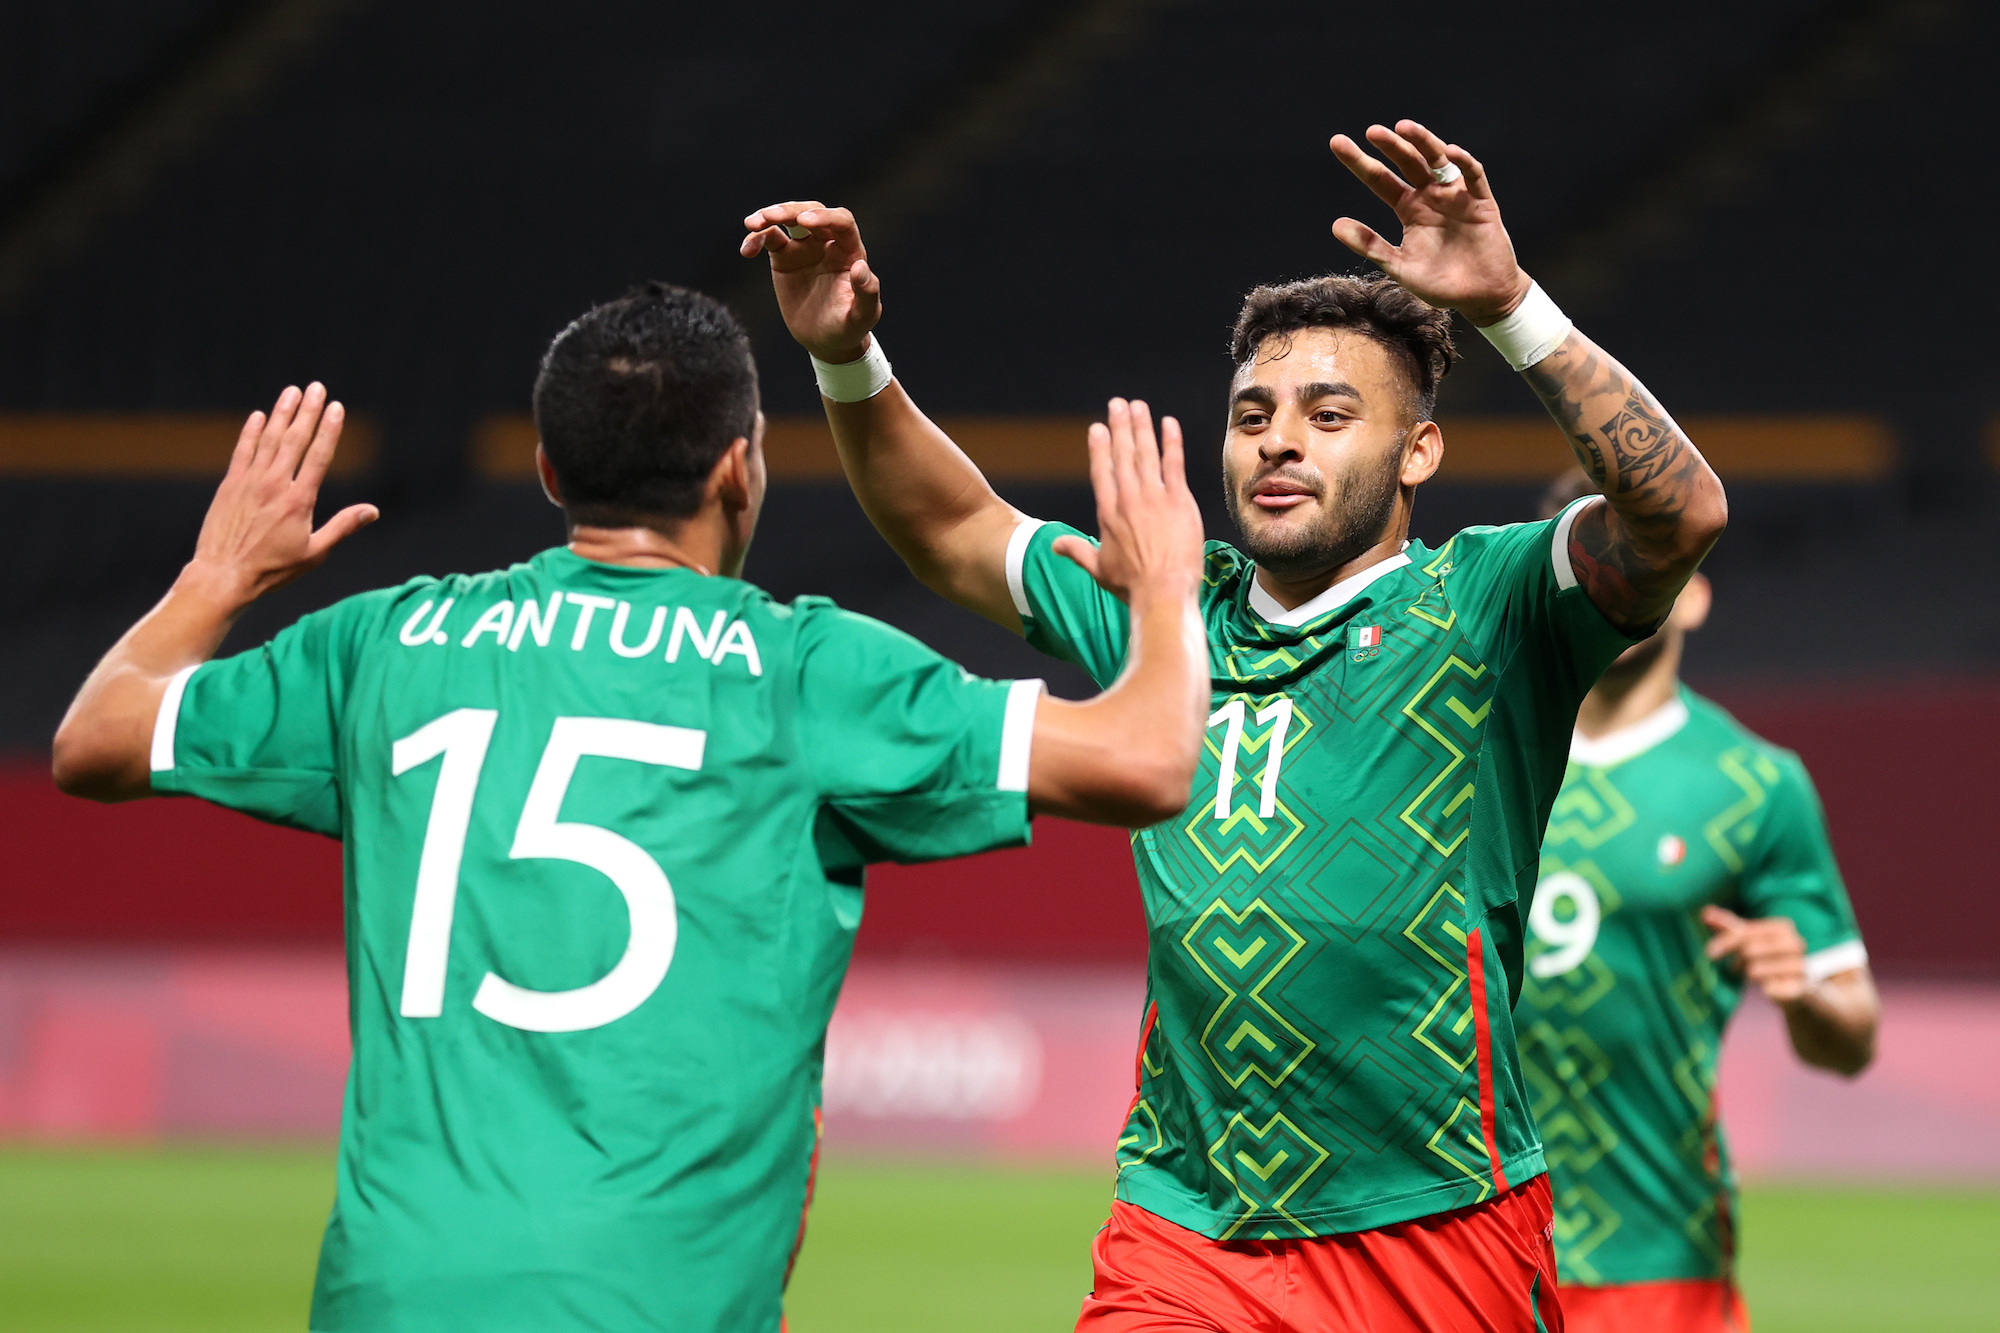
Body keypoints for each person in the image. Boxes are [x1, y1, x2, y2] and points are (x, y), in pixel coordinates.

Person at [49, 283, 1212, 1332]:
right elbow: (1147, 760)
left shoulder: (386, 643)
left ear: (552, 473)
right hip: (653, 1303)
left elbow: (96, 737)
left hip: (386, 1298)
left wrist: (217, 579)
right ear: (738, 471)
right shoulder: (800, 674)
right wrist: (1163, 588)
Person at [742, 118, 1730, 1332]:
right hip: (1187, 1224)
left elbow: (1678, 515)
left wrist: (1511, 304)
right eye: (1252, 412)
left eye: (1326, 415)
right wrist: (848, 359)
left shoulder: (1489, 605)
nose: (1275, 439)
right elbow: (951, 530)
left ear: (1417, 450)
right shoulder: (1163, 606)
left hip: (1432, 1224)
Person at [1518, 470, 1876, 1333]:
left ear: (1697, 594)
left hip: (1658, 1256)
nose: (1622, 574)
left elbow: (1852, 1035)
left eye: (1645, 552)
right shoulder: (1471, 752)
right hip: (1468, 1246)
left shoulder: (1755, 786)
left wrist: (1806, 992)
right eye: (1595, 552)